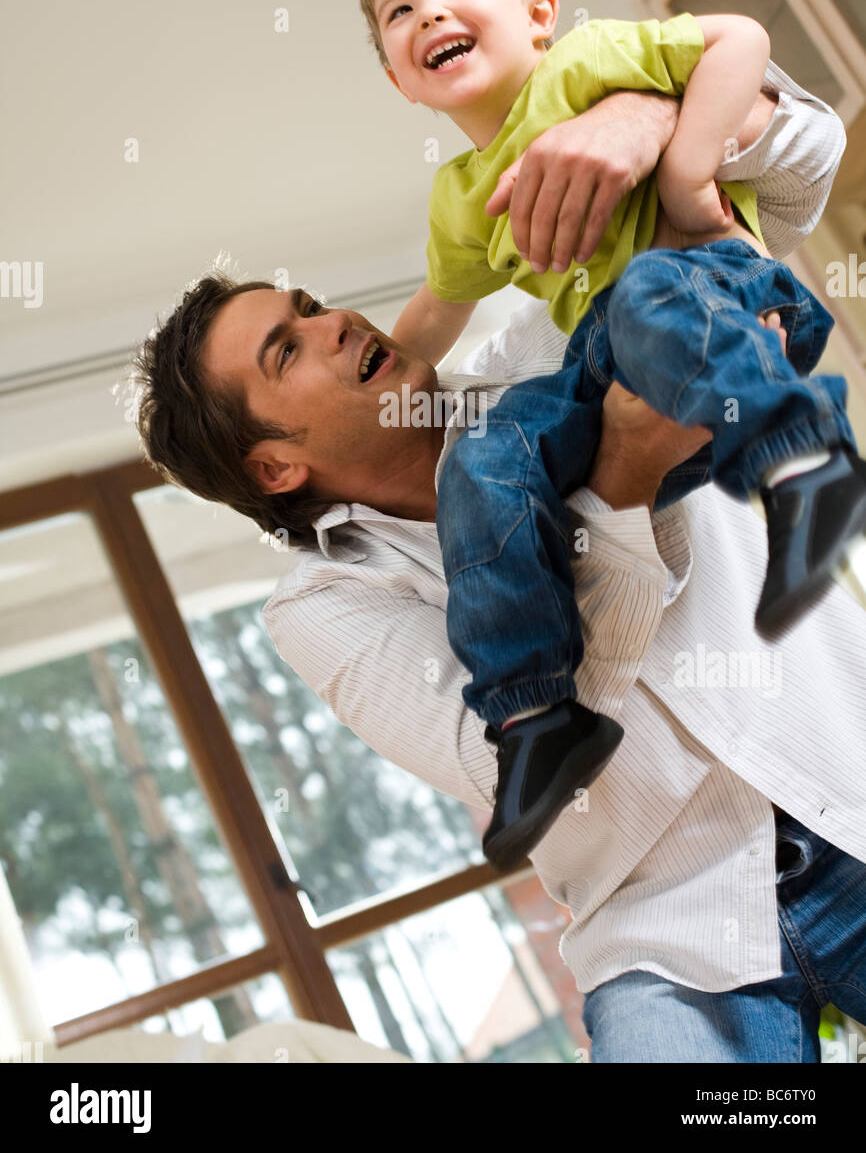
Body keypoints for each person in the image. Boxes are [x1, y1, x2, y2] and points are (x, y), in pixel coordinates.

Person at [132, 69, 866, 1062]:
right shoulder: (321, 606)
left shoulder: (552, 342)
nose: (335, 320)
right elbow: (509, 762)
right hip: (668, 932)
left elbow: (802, 162)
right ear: (274, 464)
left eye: (306, 304)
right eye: (285, 349)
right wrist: (616, 483)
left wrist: (649, 121)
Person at [361, 0, 866, 869]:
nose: (430, 13)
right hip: (611, 356)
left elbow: (738, 39)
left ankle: (807, 465)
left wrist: (684, 172)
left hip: (711, 297)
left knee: (645, 291)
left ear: (540, 11)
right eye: (400, 11)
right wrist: (377, 384)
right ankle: (539, 715)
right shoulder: (461, 198)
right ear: (397, 79)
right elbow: (432, 318)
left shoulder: (586, 67)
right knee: (485, 458)